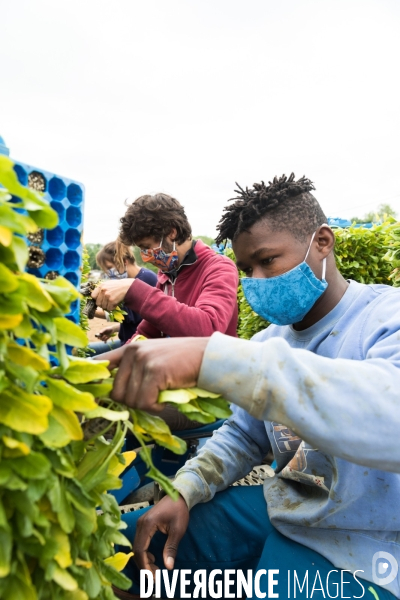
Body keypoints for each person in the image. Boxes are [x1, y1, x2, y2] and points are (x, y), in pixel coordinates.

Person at [110, 174, 400, 599]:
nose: (257, 280)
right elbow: (243, 435)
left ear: (322, 242)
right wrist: (186, 491)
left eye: (269, 261)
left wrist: (211, 357)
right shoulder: (271, 341)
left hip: (369, 538)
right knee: (131, 551)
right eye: (247, 269)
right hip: (288, 507)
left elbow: (388, 417)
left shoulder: (383, 319)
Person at [92, 192, 239, 430]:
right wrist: (99, 366)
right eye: (142, 250)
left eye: (148, 247)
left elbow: (208, 329)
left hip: (209, 390)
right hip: (172, 377)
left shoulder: (218, 268)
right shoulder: (166, 276)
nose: (147, 257)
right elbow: (147, 332)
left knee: (108, 414)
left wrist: (136, 291)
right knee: (95, 394)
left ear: (171, 232)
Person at [88, 241, 157, 355]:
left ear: (124, 262)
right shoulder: (127, 281)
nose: (109, 273)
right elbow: (138, 320)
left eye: (110, 267)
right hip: (125, 342)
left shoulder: (145, 279)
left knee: (91, 361)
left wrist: (87, 310)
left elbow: (124, 314)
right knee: (84, 350)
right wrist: (114, 329)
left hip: (139, 349)